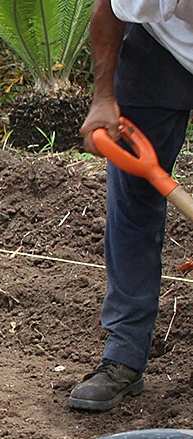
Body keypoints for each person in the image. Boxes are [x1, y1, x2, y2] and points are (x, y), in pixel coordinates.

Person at [72, 0, 193, 411]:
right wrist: (103, 96)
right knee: (133, 204)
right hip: (160, 50)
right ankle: (124, 355)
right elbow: (108, 6)